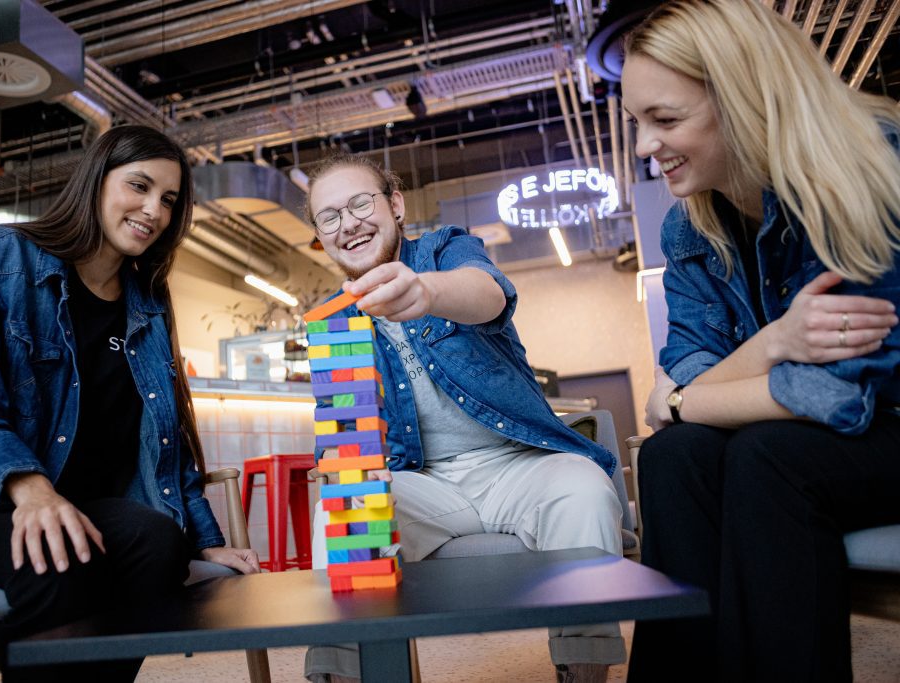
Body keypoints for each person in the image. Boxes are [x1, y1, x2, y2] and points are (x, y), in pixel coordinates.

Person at [0, 124, 259, 680]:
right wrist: (32, 491)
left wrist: (205, 540)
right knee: (56, 558)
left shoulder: (148, 304)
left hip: (82, 507)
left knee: (157, 541)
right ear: (97, 180)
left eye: (168, 200)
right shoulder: (2, 259)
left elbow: (170, 443)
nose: (154, 210)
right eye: (139, 186)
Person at [619, 1, 900, 681]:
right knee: (672, 459)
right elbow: (687, 373)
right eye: (637, 121)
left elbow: (836, 395)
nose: (642, 147)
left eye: (665, 119)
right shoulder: (688, 230)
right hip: (836, 432)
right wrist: (775, 340)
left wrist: (683, 400)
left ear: (743, 97)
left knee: (766, 457)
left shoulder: (860, 161)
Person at [302, 153, 626, 683]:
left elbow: (489, 295)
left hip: (519, 463)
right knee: (341, 512)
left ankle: (583, 673)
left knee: (584, 490)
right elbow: (338, 419)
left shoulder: (445, 249)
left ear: (396, 205)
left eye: (361, 203)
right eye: (330, 216)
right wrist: (342, 465)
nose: (349, 223)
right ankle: (345, 677)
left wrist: (427, 291)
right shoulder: (334, 318)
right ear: (321, 234)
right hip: (423, 481)